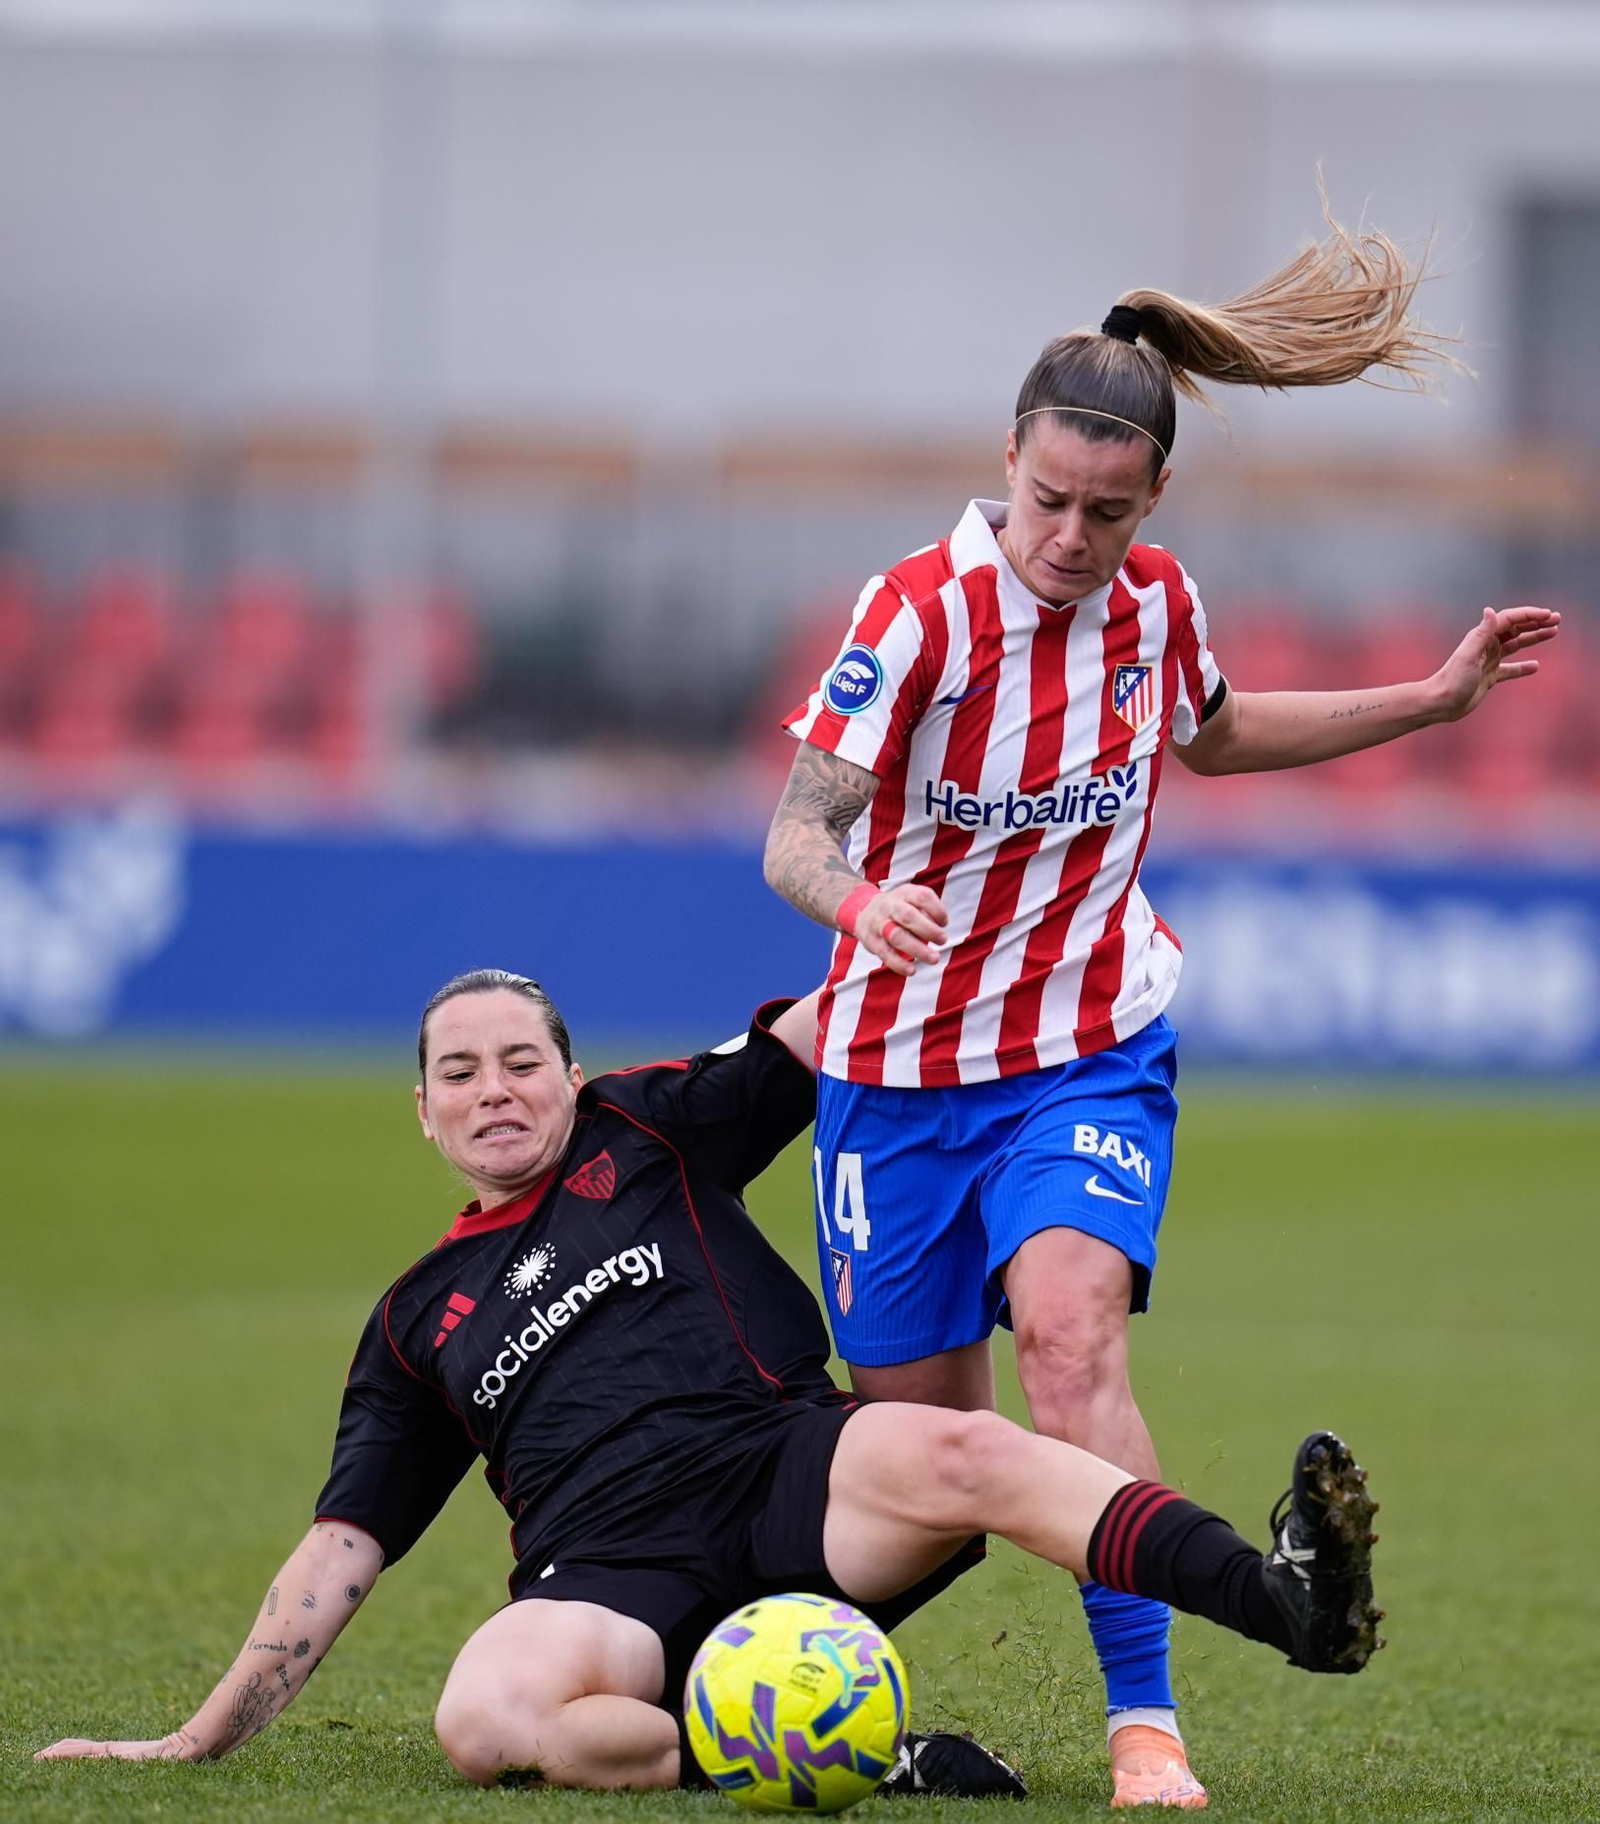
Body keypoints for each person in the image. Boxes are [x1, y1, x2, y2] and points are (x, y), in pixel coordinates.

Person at [763, 207, 1559, 1809]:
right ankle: (778, 1677)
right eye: (1049, 500)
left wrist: (1433, 696)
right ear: (1008, 459)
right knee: (929, 1478)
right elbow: (797, 830)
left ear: (1154, 501)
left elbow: (1218, 728)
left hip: (1085, 1052)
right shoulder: (914, 614)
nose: (1071, 535)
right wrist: (861, 902)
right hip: (898, 1083)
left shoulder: (1155, 608)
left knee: (1071, 1336)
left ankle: (1149, 1726)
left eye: (1107, 513)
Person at [37, 968, 1383, 1795]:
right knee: (485, 1717)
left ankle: (1291, 1605)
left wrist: (943, 875)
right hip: (608, 1578)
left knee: (966, 1448)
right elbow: (343, 1547)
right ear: (426, 1110)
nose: (494, 1089)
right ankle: (848, 1765)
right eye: (460, 1072)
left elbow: (830, 1015)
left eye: (521, 1061)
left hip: (788, 1476)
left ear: (569, 1074)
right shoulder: (413, 1322)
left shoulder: (649, 1125)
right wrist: (193, 1741)